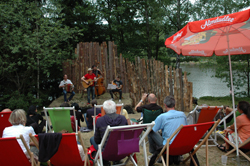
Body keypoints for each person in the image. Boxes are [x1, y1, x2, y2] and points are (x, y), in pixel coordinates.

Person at [148, 96, 187, 164]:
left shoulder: (162, 117)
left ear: (165, 105)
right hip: (182, 144)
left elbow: (152, 129)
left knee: (149, 131)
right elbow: (186, 128)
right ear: (174, 104)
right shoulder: (182, 114)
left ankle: (154, 153)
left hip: (169, 146)